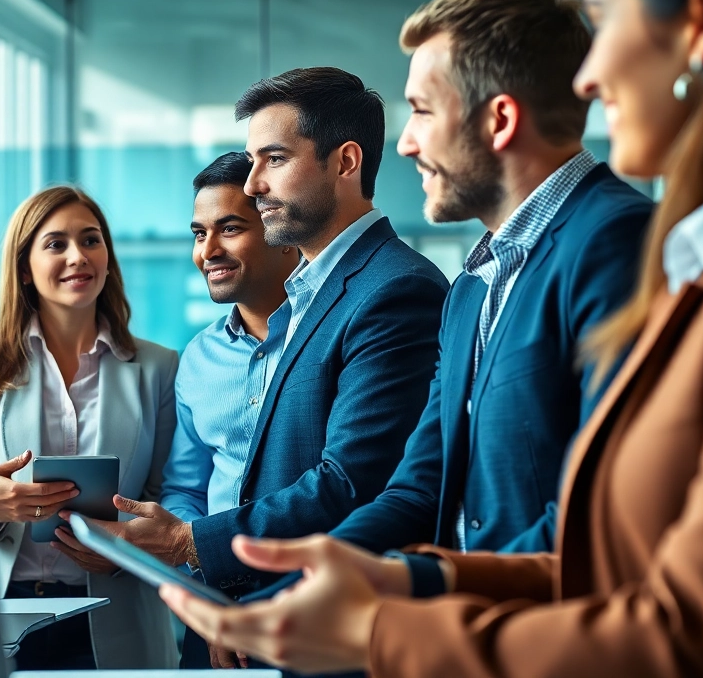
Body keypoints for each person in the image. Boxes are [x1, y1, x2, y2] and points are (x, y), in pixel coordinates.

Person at [161, 0, 703, 675]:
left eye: (422, 110)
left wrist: (386, 629)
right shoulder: (473, 281)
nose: (588, 79)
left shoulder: (644, 249)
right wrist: (396, 577)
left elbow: (649, 582)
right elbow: (440, 488)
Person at [84, 67, 449, 666]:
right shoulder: (313, 291)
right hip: (252, 613)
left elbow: (352, 482)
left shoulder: (392, 289)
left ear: (345, 162)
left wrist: (187, 542)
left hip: (321, 626)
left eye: (273, 159)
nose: (252, 185)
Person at [316, 0, 654, 562]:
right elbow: (422, 487)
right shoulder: (471, 287)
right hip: (476, 635)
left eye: (421, 111)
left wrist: (436, 588)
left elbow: (606, 509)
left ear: (499, 121)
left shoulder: (620, 243)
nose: (405, 144)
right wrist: (298, 580)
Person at [0, 186, 180, 670]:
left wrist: (124, 549)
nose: (77, 256)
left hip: (117, 612)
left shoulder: (158, 367)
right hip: (3, 617)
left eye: (91, 240)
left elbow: (168, 496)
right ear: (25, 268)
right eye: (55, 244)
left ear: (107, 256)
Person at [157, 152, 300, 668]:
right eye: (199, 234)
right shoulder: (198, 358)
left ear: (279, 228)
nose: (208, 251)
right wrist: (214, 596)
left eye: (230, 228)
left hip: (307, 612)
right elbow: (186, 489)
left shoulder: (330, 339)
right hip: (212, 617)